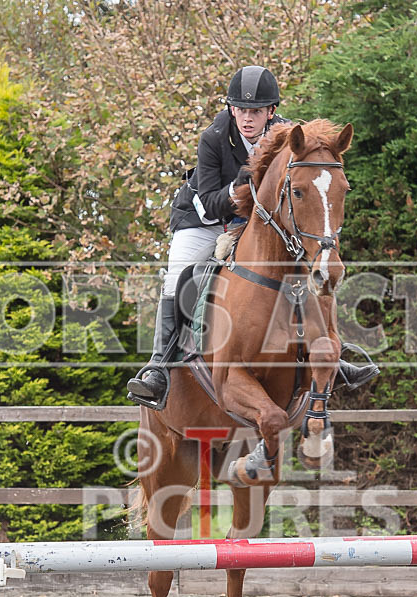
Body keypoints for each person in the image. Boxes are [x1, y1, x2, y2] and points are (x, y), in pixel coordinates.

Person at [127, 65, 378, 406]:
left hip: (255, 220)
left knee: (311, 265)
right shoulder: (214, 137)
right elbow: (209, 204)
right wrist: (243, 187)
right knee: (178, 275)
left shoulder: (288, 137)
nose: (248, 118)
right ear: (232, 109)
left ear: (271, 111)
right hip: (202, 220)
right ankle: (159, 367)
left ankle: (334, 351)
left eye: (256, 111)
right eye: (241, 109)